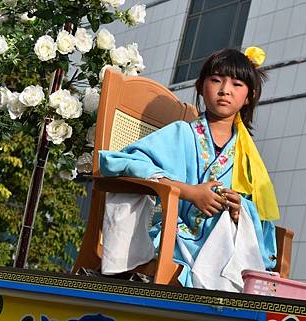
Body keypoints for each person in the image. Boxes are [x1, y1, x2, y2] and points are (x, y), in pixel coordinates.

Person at [99, 47, 279, 290]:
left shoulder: (247, 156)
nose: (225, 90)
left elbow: (257, 214)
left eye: (236, 84)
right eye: (216, 80)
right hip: (173, 233)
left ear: (249, 96)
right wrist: (189, 192)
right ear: (200, 87)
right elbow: (124, 161)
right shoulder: (180, 133)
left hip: (220, 241)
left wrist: (239, 212)